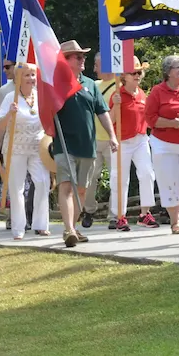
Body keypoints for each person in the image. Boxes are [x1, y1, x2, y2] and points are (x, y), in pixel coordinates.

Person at [53, 40, 118, 248]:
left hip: (87, 145)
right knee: (66, 185)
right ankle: (69, 230)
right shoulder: (55, 83)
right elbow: (46, 108)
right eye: (78, 56)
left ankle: (72, 227)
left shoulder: (90, 84)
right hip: (64, 144)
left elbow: (102, 111)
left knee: (82, 190)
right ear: (66, 60)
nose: (83, 60)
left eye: (83, 56)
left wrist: (112, 135)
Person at [0, 64, 50, 240]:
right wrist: (9, 114)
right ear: (19, 78)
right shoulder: (10, 98)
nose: (31, 78)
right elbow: (0, 126)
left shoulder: (41, 96)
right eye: (26, 75)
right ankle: (19, 227)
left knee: (42, 182)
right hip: (16, 147)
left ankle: (41, 224)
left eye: (33, 75)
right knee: (17, 187)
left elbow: (49, 119)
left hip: (38, 146)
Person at [109, 56, 158, 232]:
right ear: (124, 76)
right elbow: (110, 120)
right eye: (133, 72)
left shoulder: (142, 94)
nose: (137, 75)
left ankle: (145, 213)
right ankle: (119, 216)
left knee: (147, 173)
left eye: (139, 72)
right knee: (119, 178)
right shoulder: (117, 94)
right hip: (121, 140)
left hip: (140, 138)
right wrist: (115, 105)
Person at [146, 55, 179, 235]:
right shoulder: (157, 91)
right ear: (168, 72)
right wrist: (171, 123)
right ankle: (175, 220)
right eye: (177, 67)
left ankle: (178, 208)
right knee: (168, 181)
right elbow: (150, 119)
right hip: (163, 144)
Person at [87, 52, 116, 229]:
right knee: (90, 178)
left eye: (97, 65)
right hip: (94, 139)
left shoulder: (120, 85)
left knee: (115, 178)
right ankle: (89, 210)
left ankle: (114, 215)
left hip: (114, 140)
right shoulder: (95, 85)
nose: (94, 69)